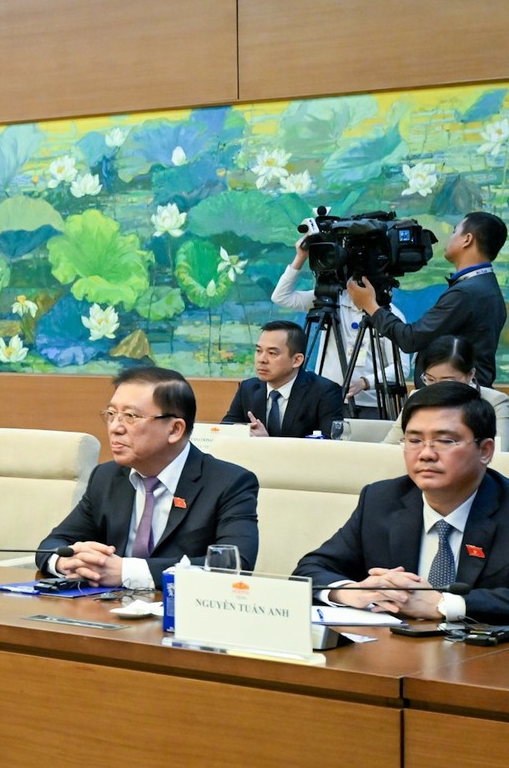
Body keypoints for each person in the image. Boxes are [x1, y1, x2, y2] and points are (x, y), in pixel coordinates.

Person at [296, 381, 509, 625]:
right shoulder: (381, 500)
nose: (426, 453)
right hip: (394, 654)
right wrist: (352, 591)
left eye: (445, 441)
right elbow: (311, 569)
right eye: (414, 441)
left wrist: (444, 604)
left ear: (485, 450)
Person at [39, 366, 260, 588]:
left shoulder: (229, 483)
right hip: (107, 613)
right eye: (111, 414)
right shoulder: (106, 477)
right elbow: (53, 544)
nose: (115, 427)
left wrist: (127, 571)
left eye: (130, 416)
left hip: (181, 615)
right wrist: (67, 561)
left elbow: (235, 566)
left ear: (175, 429)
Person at [349, 210, 507, 387]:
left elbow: (411, 339)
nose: (450, 237)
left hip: (454, 399)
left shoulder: (468, 292)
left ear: (467, 239)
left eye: (455, 231)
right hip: (461, 395)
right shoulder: (486, 286)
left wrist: (371, 306)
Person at [273, 233, 407, 413]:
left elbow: (401, 369)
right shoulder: (332, 300)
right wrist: (301, 257)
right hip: (326, 401)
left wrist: (365, 383)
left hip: (370, 405)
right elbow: (281, 297)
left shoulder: (389, 315)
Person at [220, 320, 346, 438]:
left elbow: (329, 446)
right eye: (258, 351)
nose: (262, 359)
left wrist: (267, 443)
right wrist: (242, 431)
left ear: (297, 360)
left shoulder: (324, 392)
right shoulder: (248, 388)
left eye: (272, 353)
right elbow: (225, 430)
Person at [381, 337, 509, 444]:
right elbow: (388, 447)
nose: (437, 388)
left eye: (447, 381)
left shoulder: (495, 402)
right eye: (430, 379)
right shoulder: (417, 398)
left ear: (470, 374)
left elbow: (497, 454)